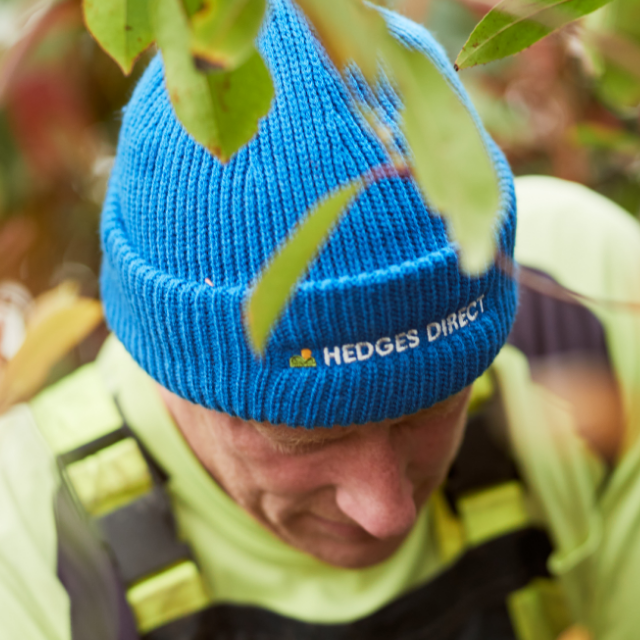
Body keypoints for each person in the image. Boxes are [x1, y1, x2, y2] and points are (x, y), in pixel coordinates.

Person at [1, 1, 640, 639]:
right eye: (304, 438)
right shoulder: (26, 541)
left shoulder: (580, 307)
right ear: (166, 363)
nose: (385, 512)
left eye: (433, 406)